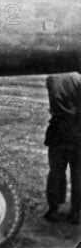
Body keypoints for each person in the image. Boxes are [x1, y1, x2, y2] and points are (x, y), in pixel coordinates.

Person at [43, 72, 81, 224]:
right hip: (77, 130)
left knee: (56, 171)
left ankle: (53, 209)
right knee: (78, 173)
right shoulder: (78, 79)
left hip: (57, 129)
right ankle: (76, 212)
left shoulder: (51, 78)